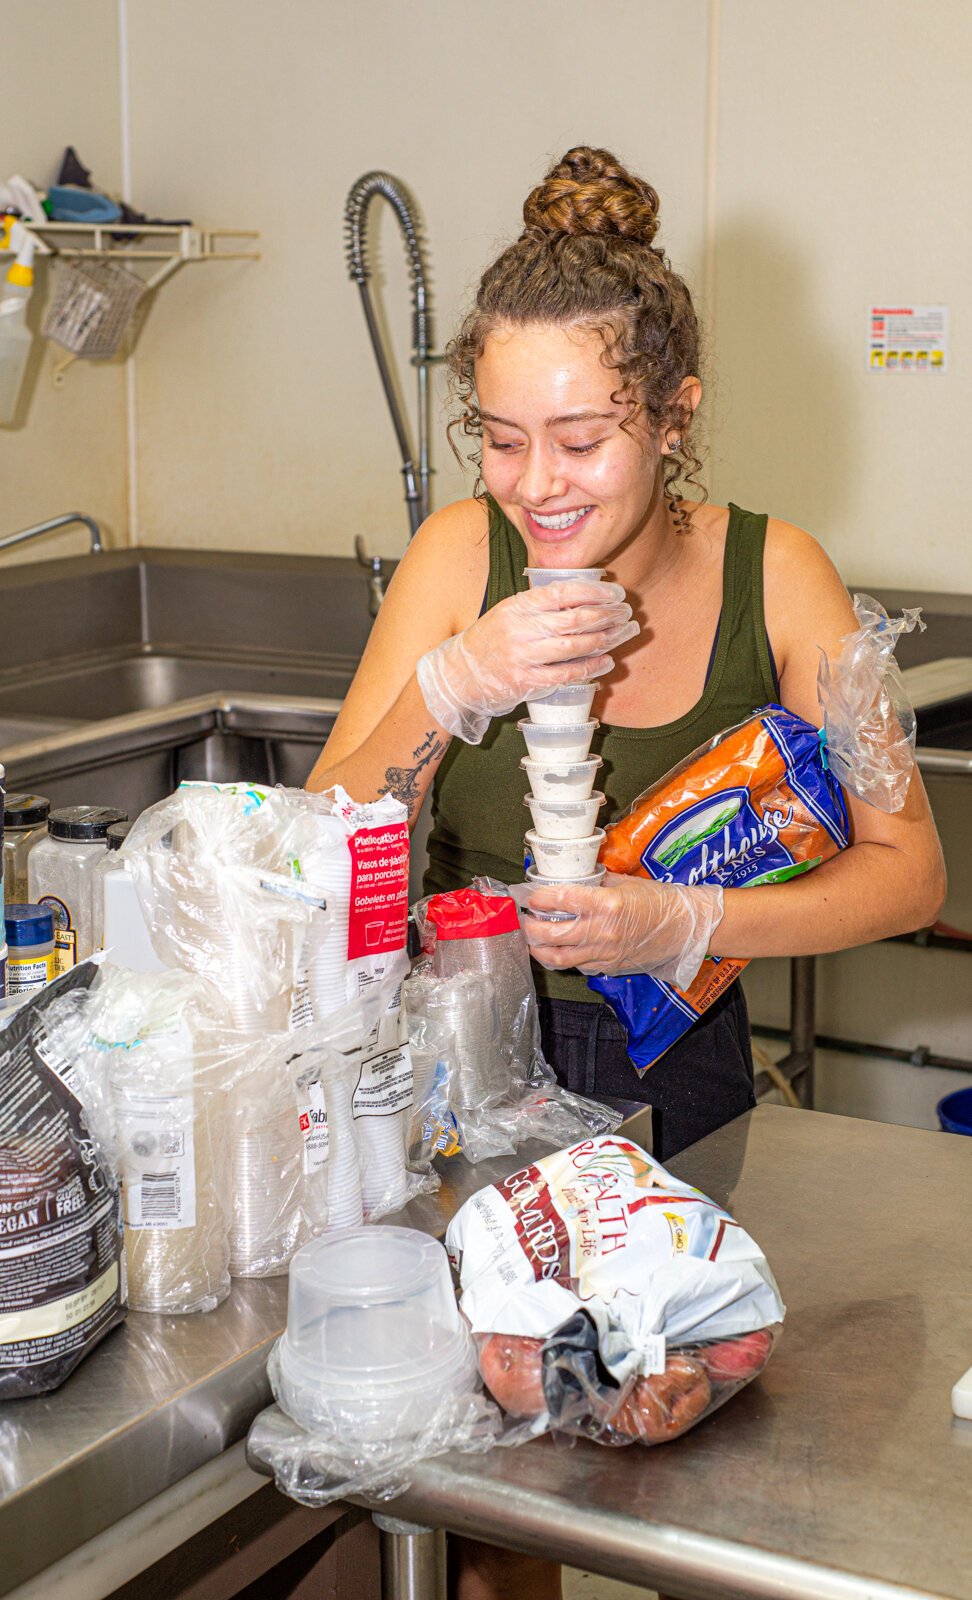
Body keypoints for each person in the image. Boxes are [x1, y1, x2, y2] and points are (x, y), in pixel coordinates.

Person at [307, 146, 946, 1600]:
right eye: (503, 437)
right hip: (459, 1085)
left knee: (695, 1498)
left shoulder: (782, 578)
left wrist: (691, 915)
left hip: (685, 1090)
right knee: (496, 1503)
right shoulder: (454, 559)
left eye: (583, 438)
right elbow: (319, 825)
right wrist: (451, 685)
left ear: (674, 415)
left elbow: (911, 872)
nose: (538, 486)